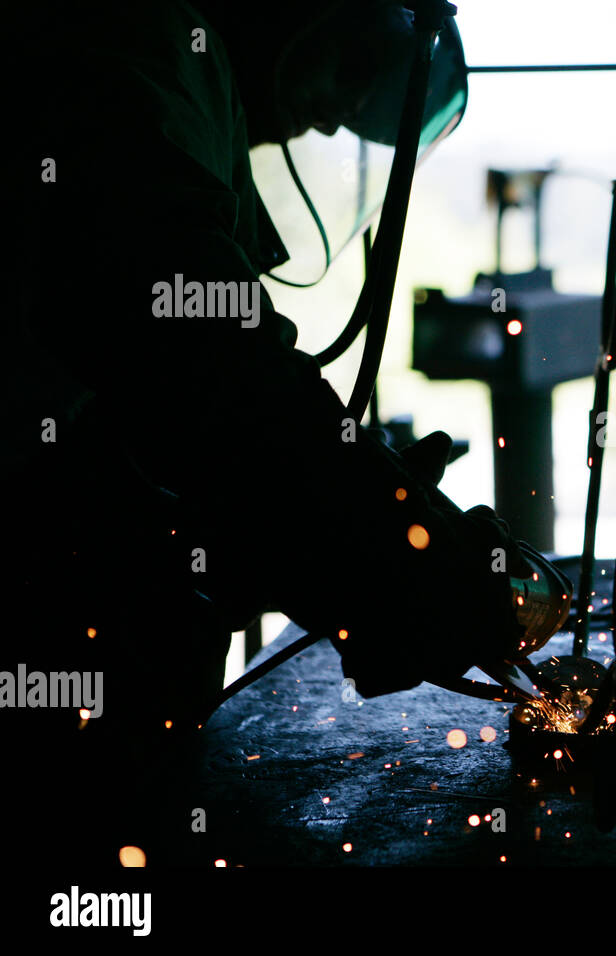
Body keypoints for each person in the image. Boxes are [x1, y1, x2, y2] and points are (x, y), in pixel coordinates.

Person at [2, 0, 526, 864]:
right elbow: (197, 356)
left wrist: (354, 508)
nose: (320, 117)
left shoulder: (189, 74)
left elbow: (197, 377)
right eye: (341, 83)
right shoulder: (141, 42)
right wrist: (377, 530)